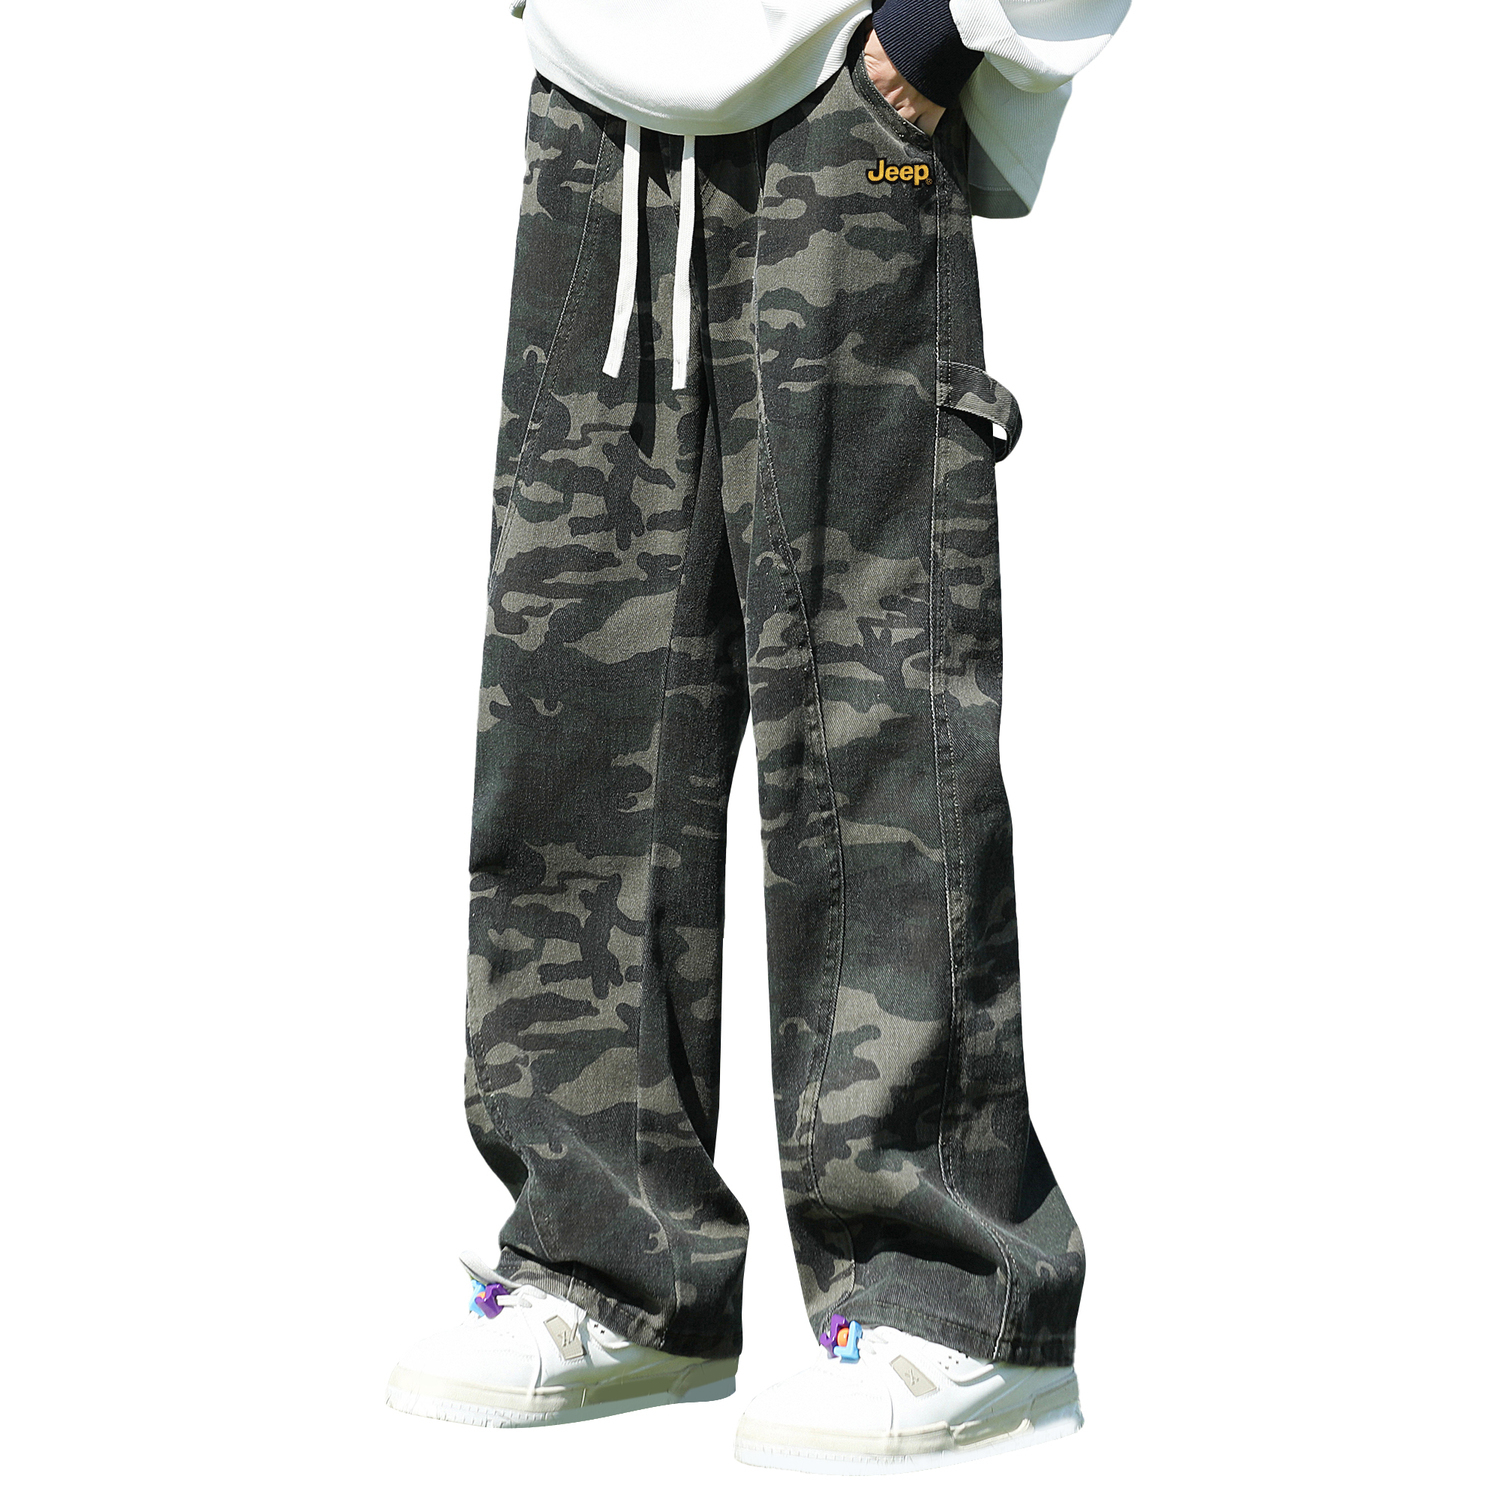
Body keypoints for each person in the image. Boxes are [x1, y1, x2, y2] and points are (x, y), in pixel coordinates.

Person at [388, 0, 1129, 1474]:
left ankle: (951, 1286)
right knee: (577, 701)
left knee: (872, 712)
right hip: (600, 114)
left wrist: (939, 32)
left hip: (852, 102)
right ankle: (609, 1264)